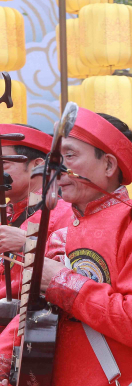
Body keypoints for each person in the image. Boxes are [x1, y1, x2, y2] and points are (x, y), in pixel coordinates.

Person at [0, 109, 132, 386]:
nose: (57, 169)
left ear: (108, 164)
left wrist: (61, 281)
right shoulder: (60, 234)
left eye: (69, 157)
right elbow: (33, 313)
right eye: (55, 159)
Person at [0, 124, 72, 302]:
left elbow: (74, 277)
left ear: (38, 166)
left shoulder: (64, 214)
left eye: (3, 163)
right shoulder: (6, 212)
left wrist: (28, 244)